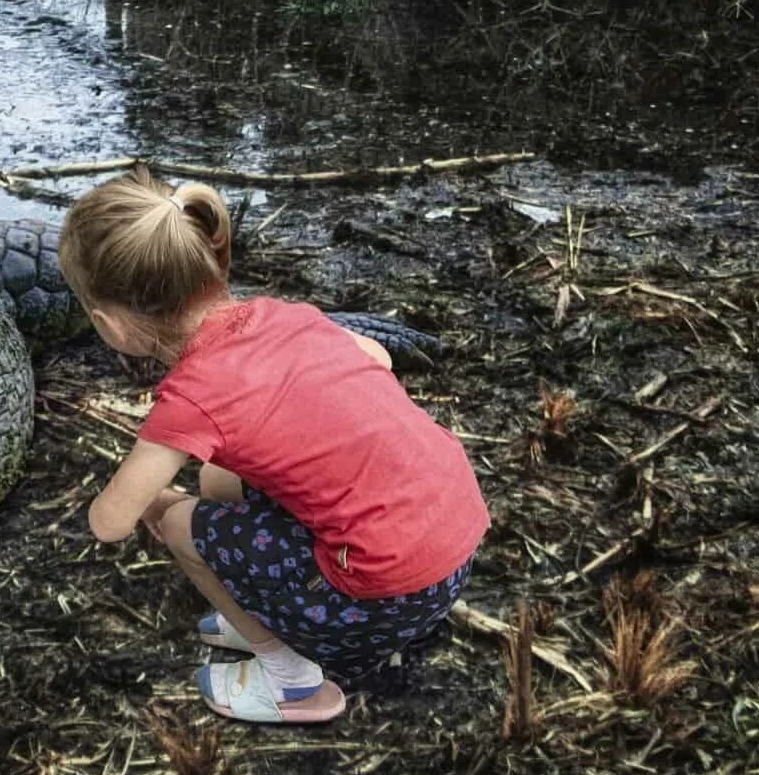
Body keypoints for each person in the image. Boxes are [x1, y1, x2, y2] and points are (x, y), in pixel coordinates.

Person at [57, 166, 489, 724]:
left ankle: (294, 685)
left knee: (183, 522)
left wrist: (143, 502)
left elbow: (110, 524)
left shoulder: (191, 399)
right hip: (452, 557)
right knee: (219, 480)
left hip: (380, 601)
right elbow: (377, 358)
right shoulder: (287, 316)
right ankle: (266, 605)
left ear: (109, 325)